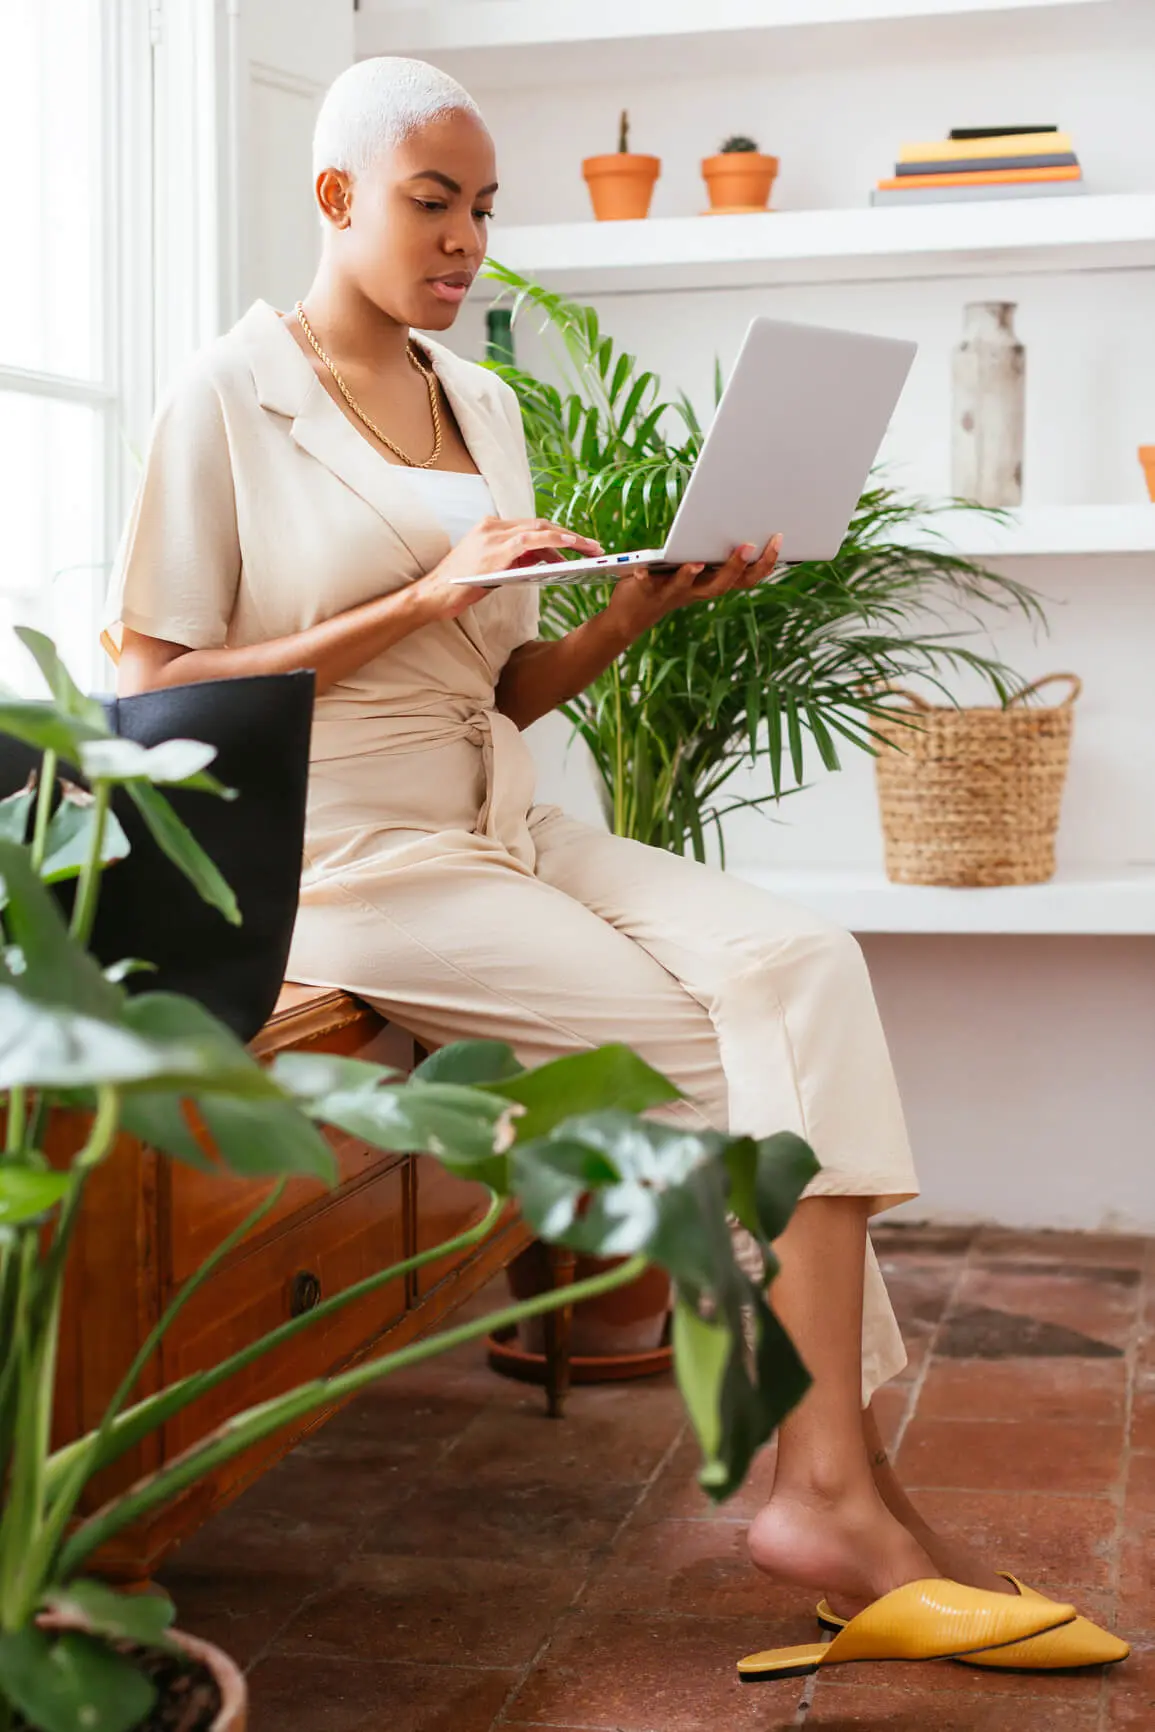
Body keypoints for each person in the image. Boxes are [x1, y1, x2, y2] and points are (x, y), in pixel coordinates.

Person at [106, 55, 1116, 1667]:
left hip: (507, 814)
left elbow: (503, 684)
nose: (465, 239)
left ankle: (835, 1485)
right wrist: (423, 596)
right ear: (335, 197)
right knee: (731, 1082)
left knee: (802, 967)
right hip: (348, 853)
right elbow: (155, 683)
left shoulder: (482, 399)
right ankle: (839, 1498)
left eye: (484, 209)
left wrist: (632, 613)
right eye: (432, 201)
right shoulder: (229, 392)